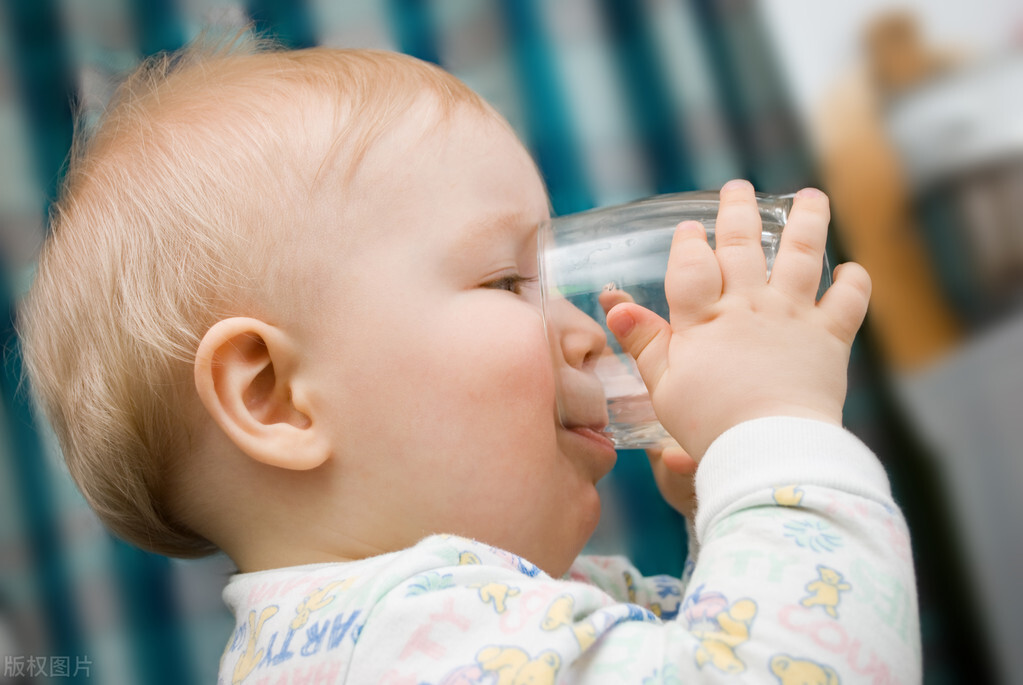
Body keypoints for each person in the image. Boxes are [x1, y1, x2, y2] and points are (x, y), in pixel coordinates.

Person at [19, 34, 920, 684]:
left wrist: (729, 523)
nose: (582, 327)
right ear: (276, 397)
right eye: (503, 280)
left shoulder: (398, 628)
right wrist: (776, 449)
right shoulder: (409, 647)